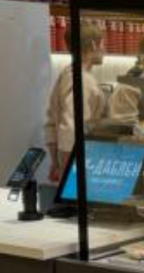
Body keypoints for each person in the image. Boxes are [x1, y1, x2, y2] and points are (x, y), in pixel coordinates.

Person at [45, 20, 108, 183]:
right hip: (81, 164)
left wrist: (56, 163)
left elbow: (51, 123)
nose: (104, 49)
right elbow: (71, 130)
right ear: (93, 45)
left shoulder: (66, 74)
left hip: (71, 161)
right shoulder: (82, 81)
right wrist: (70, 174)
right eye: (103, 43)